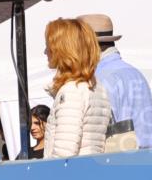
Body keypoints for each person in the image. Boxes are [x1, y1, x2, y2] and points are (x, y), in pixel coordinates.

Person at [79, 13, 152, 149]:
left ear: (89, 44)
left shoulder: (98, 78)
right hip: (146, 162)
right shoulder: (136, 74)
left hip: (113, 162)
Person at [43, 18, 111, 158]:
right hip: (88, 172)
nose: (45, 51)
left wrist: (47, 178)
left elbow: (63, 155)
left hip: (70, 177)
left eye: (49, 46)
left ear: (61, 50)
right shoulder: (96, 88)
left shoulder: (71, 91)